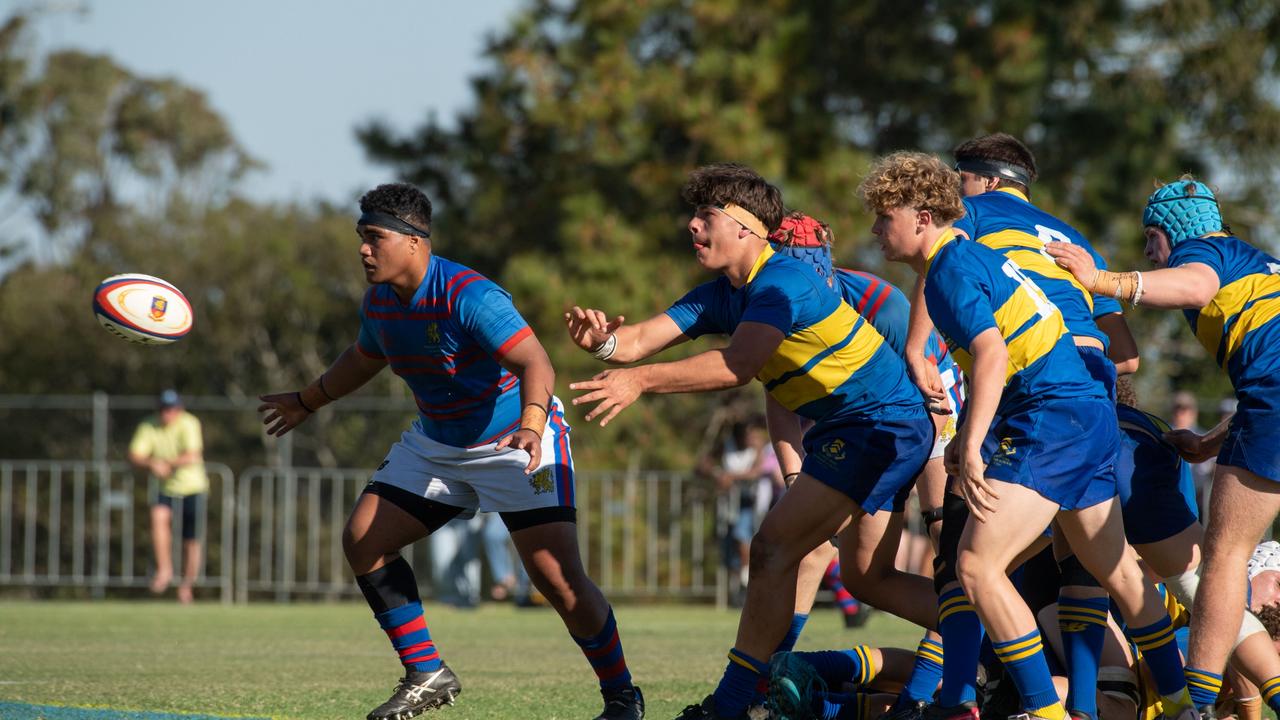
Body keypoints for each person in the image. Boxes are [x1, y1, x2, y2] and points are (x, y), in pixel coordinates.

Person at [257, 183, 643, 720]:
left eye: (374, 238)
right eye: (360, 238)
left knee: (558, 578)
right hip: (438, 444)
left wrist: (532, 426)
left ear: (415, 241)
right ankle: (426, 672)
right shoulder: (380, 303)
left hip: (514, 440)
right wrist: (307, 400)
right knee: (362, 538)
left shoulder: (469, 294)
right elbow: (364, 357)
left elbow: (538, 364)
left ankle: (622, 696)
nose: (363, 250)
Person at [565, 163, 935, 720]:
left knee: (772, 548)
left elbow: (738, 366)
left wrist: (639, 380)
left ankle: (735, 703)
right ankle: (999, 633)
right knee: (868, 580)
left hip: (881, 424)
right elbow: (639, 339)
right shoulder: (722, 293)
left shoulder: (784, 281)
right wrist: (603, 345)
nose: (692, 226)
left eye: (705, 216)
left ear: (746, 228)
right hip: (864, 427)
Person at [860, 151, 1193, 720]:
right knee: (1119, 574)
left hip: (1050, 412)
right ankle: (1187, 708)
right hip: (1089, 407)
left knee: (975, 566)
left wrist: (969, 441)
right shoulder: (969, 255)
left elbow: (990, 355)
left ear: (922, 216)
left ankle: (1043, 711)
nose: (874, 229)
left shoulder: (949, 268)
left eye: (884, 215)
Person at [1046, 176, 1280, 716]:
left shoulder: (1203, 252)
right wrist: (1214, 439)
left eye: (1150, 243)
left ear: (1163, 233)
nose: (1150, 255)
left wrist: (1099, 278)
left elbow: (1195, 286)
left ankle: (1196, 706)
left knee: (1223, 560)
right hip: (1264, 408)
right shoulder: (1257, 260)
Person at [129, 389, 208, 605]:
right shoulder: (149, 425)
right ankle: (164, 570)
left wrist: (165, 463)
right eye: (164, 409)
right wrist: (151, 463)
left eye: (171, 409)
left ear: (179, 409)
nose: (167, 414)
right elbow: (135, 454)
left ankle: (186, 586)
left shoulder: (190, 423)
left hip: (193, 487)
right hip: (166, 489)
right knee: (158, 519)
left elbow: (193, 455)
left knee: (191, 540)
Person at [1171, 391, 1214, 520]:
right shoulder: (1163, 436)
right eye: (1177, 409)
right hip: (1169, 499)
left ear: (1194, 413)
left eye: (1185, 409)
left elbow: (1210, 470)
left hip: (1197, 501)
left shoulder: (1205, 438)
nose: (1181, 414)